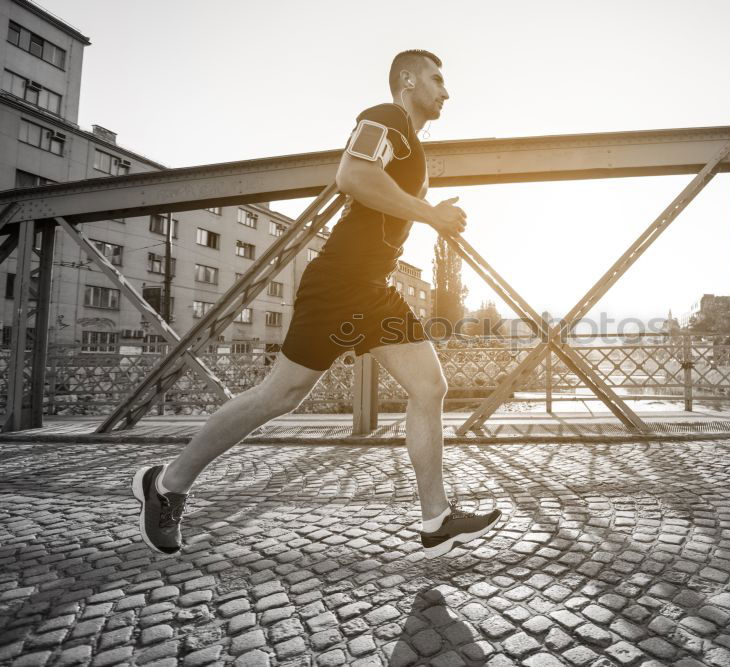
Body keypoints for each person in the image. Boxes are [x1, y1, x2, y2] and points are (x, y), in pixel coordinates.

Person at [132, 49, 501, 559]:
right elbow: (352, 176)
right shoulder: (385, 118)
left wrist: (423, 215)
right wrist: (429, 215)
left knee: (429, 385)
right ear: (408, 80)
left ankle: (436, 519)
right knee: (280, 396)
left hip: (375, 287)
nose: (446, 89)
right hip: (339, 284)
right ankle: (167, 483)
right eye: (437, 79)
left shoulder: (409, 141)